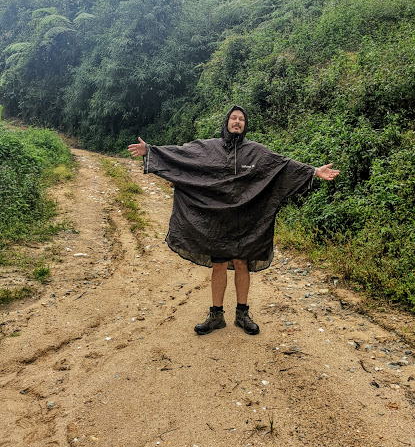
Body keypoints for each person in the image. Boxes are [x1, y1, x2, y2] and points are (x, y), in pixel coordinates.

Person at [128, 106, 339, 336]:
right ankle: (216, 315)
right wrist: (151, 151)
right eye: (233, 118)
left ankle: (242, 315)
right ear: (227, 122)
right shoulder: (209, 149)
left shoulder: (256, 152)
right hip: (216, 221)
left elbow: (282, 165)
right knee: (219, 265)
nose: (237, 122)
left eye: (241, 119)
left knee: (241, 263)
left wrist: (313, 171)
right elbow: (181, 155)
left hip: (245, 221)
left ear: (245, 125)